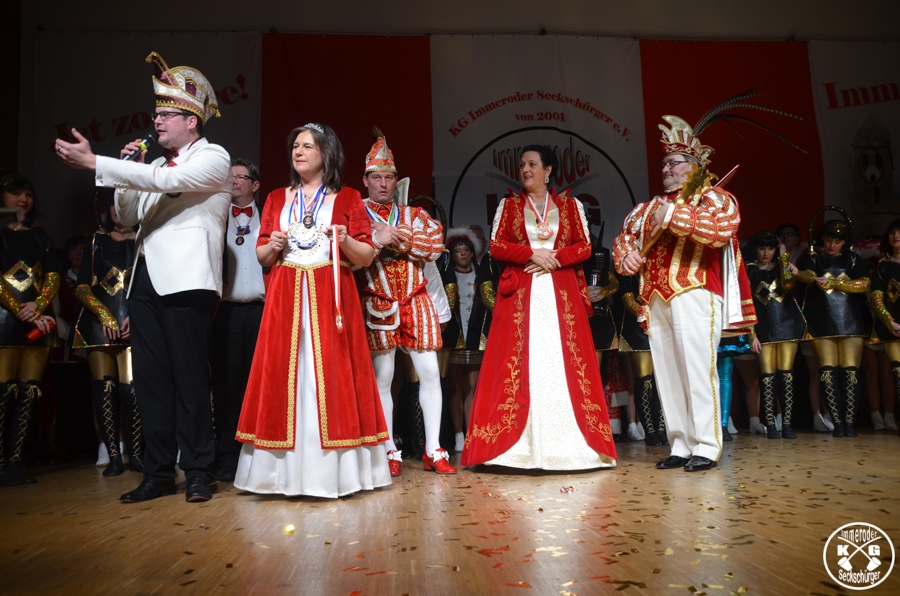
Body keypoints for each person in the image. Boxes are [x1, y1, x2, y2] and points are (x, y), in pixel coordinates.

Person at [56, 52, 231, 502]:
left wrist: (97, 163)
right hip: (146, 282)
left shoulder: (213, 157)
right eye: (155, 113)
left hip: (187, 280)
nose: (157, 120)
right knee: (149, 380)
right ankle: (157, 471)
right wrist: (125, 173)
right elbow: (127, 216)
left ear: (191, 121)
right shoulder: (152, 167)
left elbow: (169, 185)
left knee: (189, 378)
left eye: (166, 114)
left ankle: (199, 469)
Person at [234, 123, 390, 498]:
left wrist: (346, 240)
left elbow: (366, 256)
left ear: (326, 153)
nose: (298, 152)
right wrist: (273, 245)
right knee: (283, 375)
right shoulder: (276, 198)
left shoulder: (348, 198)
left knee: (333, 375)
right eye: (295, 147)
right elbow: (261, 255)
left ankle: (336, 474)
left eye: (307, 146)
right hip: (286, 299)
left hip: (331, 298)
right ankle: (277, 475)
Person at [613, 112, 755, 473]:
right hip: (655, 297)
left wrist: (674, 217)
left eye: (674, 162)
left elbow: (720, 231)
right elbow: (624, 239)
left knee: (696, 369)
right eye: (664, 164)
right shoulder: (648, 208)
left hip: (695, 290)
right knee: (668, 373)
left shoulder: (714, 198)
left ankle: (706, 445)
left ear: (695, 166)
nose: (666, 168)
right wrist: (627, 258)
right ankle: (680, 443)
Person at [462, 145, 617, 470]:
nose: (525, 170)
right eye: (522, 165)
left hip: (561, 293)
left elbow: (584, 246)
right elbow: (497, 245)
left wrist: (554, 258)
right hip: (522, 294)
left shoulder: (571, 206)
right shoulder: (509, 206)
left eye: (532, 164)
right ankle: (512, 449)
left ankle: (570, 446)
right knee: (518, 362)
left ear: (548, 171)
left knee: (560, 360)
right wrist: (530, 254)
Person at [357, 130, 456, 475]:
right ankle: (388, 450)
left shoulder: (414, 213)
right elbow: (351, 256)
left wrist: (391, 239)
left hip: (417, 300)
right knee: (383, 377)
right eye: (376, 178)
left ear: (396, 180)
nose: (383, 184)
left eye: (388, 177)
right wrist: (377, 239)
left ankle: (433, 449)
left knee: (430, 374)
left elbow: (434, 245)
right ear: (366, 180)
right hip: (378, 301)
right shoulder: (356, 215)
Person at [71, 204, 142, 475]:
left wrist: (135, 315)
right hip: (98, 325)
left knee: (131, 391)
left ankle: (136, 455)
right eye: (114, 202)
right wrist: (104, 315)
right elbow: (82, 287)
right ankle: (113, 456)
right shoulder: (96, 240)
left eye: (124, 201)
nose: (118, 208)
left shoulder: (145, 238)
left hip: (132, 325)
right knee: (104, 390)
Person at [0, 174, 60, 486]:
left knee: (27, 393)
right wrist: (19, 308)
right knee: (2, 392)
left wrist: (38, 305)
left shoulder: (41, 234)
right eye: (15, 193)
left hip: (38, 321)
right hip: (3, 321)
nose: (23, 199)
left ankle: (14, 462)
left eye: (28, 194)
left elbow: (53, 275)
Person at [210, 158, 265, 483]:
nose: (233, 182)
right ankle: (228, 456)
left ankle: (261, 452)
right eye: (229, 177)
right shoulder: (215, 215)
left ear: (255, 185)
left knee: (260, 383)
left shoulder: (271, 216)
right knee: (227, 385)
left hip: (262, 311)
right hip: (226, 312)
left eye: (240, 177)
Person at [796, 218, 870, 437]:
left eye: (837, 241)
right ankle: (837, 422)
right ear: (823, 239)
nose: (832, 245)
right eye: (829, 240)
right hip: (821, 322)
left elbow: (865, 283)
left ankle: (850, 422)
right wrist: (799, 273)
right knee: (827, 372)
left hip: (851, 321)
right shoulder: (812, 259)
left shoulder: (853, 260)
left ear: (844, 242)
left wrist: (836, 283)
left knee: (850, 372)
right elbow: (805, 277)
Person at [745, 230, 807, 439]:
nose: (766, 253)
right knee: (767, 377)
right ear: (755, 249)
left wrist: (784, 256)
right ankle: (770, 424)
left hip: (788, 326)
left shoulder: (783, 267)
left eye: (770, 248)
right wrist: (751, 333)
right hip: (763, 329)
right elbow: (746, 304)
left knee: (786, 376)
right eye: (762, 248)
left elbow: (788, 283)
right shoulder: (749, 271)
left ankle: (787, 424)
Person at [440, 227, 488, 452]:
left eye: (466, 250)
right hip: (454, 337)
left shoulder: (480, 276)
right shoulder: (446, 277)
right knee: (456, 387)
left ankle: (470, 434)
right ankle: (458, 434)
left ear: (472, 252)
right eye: (457, 250)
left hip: (475, 337)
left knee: (472, 387)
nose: (462, 254)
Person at [617, 274, 667, 446]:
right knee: (644, 382)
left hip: (661, 327)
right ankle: (650, 431)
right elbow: (628, 300)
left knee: (660, 382)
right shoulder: (626, 268)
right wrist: (651, 315)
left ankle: (661, 429)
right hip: (638, 329)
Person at [868, 218, 900, 432]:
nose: (896, 236)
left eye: (899, 232)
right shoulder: (883, 266)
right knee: (896, 373)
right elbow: (877, 298)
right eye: (892, 232)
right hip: (892, 329)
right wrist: (891, 323)